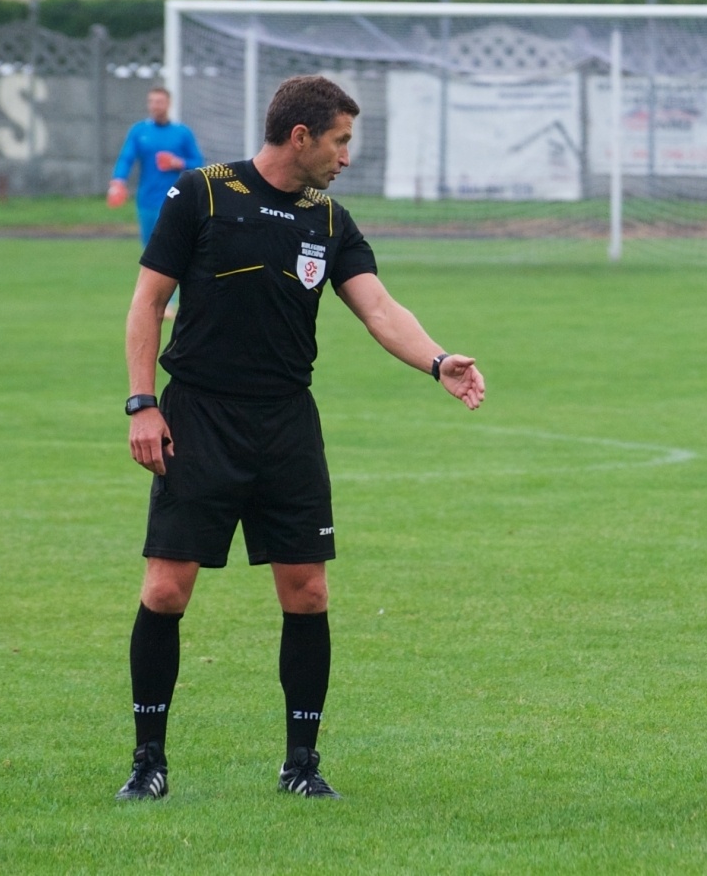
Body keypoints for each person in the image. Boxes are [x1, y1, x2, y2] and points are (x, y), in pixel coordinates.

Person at [116, 75, 485, 801]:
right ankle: (148, 762)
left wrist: (438, 360)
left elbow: (378, 307)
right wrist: (142, 405)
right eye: (341, 141)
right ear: (301, 136)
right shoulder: (202, 194)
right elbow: (148, 302)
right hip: (200, 416)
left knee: (308, 592)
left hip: (285, 423)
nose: (346, 157)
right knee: (165, 590)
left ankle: (302, 765)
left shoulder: (329, 219)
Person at [108, 87, 204, 318]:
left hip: (177, 202)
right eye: (152, 101)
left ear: (168, 104)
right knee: (151, 251)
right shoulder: (139, 131)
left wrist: (177, 162)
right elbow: (126, 158)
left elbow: (198, 162)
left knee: (179, 250)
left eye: (159, 101)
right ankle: (152, 300)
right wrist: (118, 181)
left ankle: (171, 302)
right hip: (148, 201)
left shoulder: (182, 133)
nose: (155, 105)